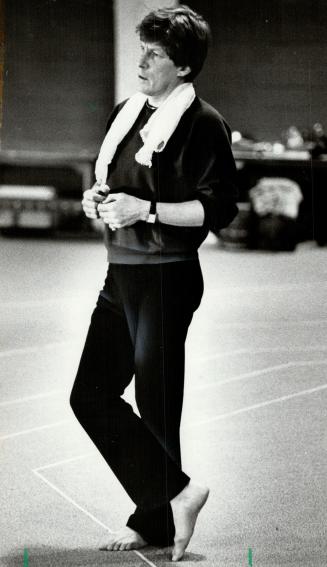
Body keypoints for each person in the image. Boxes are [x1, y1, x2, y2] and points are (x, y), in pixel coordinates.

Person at [70, 5, 238, 562]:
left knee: (156, 405)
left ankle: (160, 519)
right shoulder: (128, 111)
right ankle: (176, 495)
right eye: (141, 48)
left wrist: (146, 210)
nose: (141, 61)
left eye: (155, 53)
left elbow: (219, 210)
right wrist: (98, 200)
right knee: (89, 395)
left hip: (167, 277)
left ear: (183, 68)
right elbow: (114, 185)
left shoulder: (203, 122)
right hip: (121, 271)